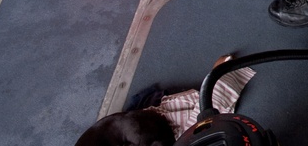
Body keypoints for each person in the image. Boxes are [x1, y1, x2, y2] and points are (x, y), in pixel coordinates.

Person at [75, 57, 255, 146]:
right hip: (143, 128)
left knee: (205, 124)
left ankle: (219, 77)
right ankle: (216, 81)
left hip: (146, 128)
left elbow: (130, 128)